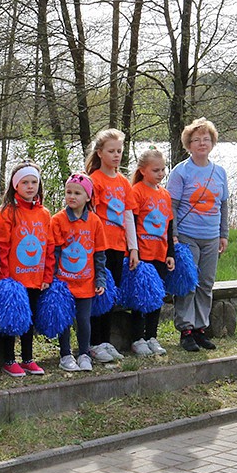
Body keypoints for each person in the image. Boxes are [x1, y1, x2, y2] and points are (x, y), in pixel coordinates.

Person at [167, 117, 228, 352]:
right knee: (188, 283)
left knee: (206, 284)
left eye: (206, 139)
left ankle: (201, 328)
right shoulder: (180, 172)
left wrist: (224, 234)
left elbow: (223, 205)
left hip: (211, 237)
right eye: (196, 140)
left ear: (212, 142)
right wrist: (173, 235)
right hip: (186, 236)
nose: (202, 143)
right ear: (188, 144)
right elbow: (171, 206)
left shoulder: (220, 172)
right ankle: (186, 329)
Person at [0, 160, 54, 377]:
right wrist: (3, 276)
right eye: (25, 182)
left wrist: (47, 275)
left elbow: (49, 247)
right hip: (13, 279)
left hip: (35, 278)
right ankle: (9, 359)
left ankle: (28, 358)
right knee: (12, 320)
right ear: (15, 186)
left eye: (34, 182)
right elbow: (1, 245)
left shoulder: (44, 214)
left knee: (29, 319)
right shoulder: (7, 213)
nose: (30, 186)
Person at [85, 128, 137, 363]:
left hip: (118, 246)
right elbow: (90, 215)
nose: (116, 155)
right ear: (100, 152)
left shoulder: (124, 183)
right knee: (98, 293)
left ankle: (105, 341)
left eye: (119, 151)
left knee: (110, 296)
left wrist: (133, 248)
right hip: (99, 247)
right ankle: (93, 342)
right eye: (111, 151)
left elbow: (128, 216)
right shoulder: (94, 180)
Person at [52, 173, 106, 372]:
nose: (72, 197)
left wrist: (100, 278)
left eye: (77, 193)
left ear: (88, 197)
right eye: (68, 192)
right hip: (64, 283)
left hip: (86, 282)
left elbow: (99, 254)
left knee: (83, 320)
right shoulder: (57, 220)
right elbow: (54, 252)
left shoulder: (94, 222)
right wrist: (53, 279)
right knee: (64, 319)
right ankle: (65, 355)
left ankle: (84, 353)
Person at [128, 148, 175, 357]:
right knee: (141, 298)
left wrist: (170, 254)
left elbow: (169, 226)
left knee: (156, 298)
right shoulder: (136, 191)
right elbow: (133, 223)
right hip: (143, 255)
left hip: (160, 254)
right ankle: (138, 338)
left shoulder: (165, 195)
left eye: (163, 169)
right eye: (156, 170)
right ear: (142, 170)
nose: (161, 174)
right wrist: (133, 251)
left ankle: (152, 336)